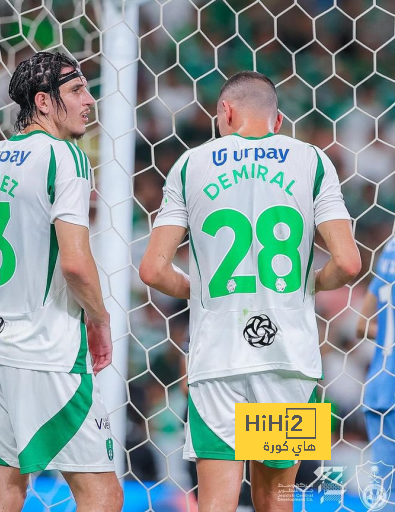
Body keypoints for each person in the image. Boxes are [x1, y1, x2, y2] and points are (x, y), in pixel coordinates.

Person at [139, 71, 361, 512]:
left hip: (217, 359)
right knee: (275, 504)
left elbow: (152, 269)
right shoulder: (312, 161)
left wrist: (196, 289)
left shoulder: (191, 164)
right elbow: (349, 263)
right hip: (289, 360)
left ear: (225, 112)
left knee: (216, 505)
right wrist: (307, 283)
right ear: (277, 120)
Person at [0, 51, 122, 512]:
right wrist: (100, 321)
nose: (89, 101)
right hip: (46, 351)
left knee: (3, 492)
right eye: (77, 91)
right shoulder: (66, 156)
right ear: (44, 102)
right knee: (103, 495)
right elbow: (76, 266)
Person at [356, 233, 395, 511]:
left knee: (384, 494)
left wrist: (387, 341)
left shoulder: (389, 252)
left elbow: (361, 325)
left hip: (379, 385)